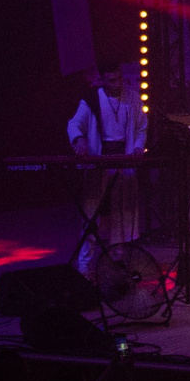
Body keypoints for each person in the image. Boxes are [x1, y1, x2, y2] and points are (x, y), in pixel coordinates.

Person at [67, 62, 147, 259]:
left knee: (122, 212)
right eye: (112, 80)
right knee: (92, 213)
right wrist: (79, 140)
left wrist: (137, 147)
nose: (117, 83)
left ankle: (117, 262)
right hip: (100, 160)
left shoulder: (132, 98)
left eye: (119, 78)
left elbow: (141, 127)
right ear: (102, 80)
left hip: (123, 160)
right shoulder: (92, 99)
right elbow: (75, 123)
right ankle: (85, 265)